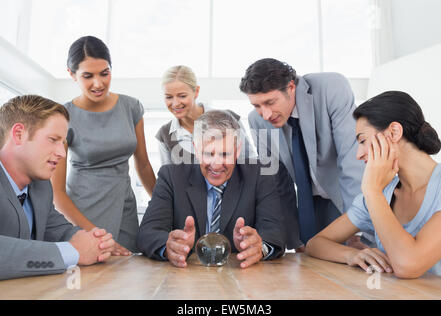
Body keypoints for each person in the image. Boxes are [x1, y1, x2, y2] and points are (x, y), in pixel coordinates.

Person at [306, 91, 441, 279]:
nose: (358, 154)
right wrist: (351, 254)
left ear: (394, 132)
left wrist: (372, 190)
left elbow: (408, 265)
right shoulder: (383, 193)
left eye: (363, 141)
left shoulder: (377, 192)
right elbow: (316, 244)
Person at [239, 58, 367, 250]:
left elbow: (352, 162)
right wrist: (293, 240)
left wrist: (359, 230)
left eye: (270, 102)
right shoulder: (257, 122)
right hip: (310, 205)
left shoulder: (331, 89)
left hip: (346, 196)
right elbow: (276, 182)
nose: (265, 114)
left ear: (291, 87)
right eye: (257, 106)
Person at [138, 110, 286, 268]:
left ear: (237, 150)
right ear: (196, 149)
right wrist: (170, 247)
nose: (216, 164)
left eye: (224, 154)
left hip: (241, 276)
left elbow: (275, 233)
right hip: (187, 278)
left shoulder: (259, 175)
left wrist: (259, 247)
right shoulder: (172, 177)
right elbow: (147, 233)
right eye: (209, 153)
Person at [51, 36, 156, 255]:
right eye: (87, 76)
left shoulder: (131, 107)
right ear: (72, 74)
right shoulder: (63, 115)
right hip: (83, 212)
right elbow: (57, 192)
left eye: (104, 73)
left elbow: (144, 165)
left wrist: (163, 207)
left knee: (127, 276)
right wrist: (94, 233)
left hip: (124, 206)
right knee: (88, 282)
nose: (98, 83)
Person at [0, 95, 115, 280]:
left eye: (63, 142)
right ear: (19, 134)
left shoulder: (41, 187)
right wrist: (72, 252)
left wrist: (94, 242)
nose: (62, 153)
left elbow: (58, 230)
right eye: (53, 139)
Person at [156, 65, 257, 165]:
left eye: (182, 96)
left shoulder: (229, 118)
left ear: (196, 92)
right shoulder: (165, 134)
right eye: (169, 97)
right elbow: (168, 177)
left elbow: (250, 162)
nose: (175, 103)